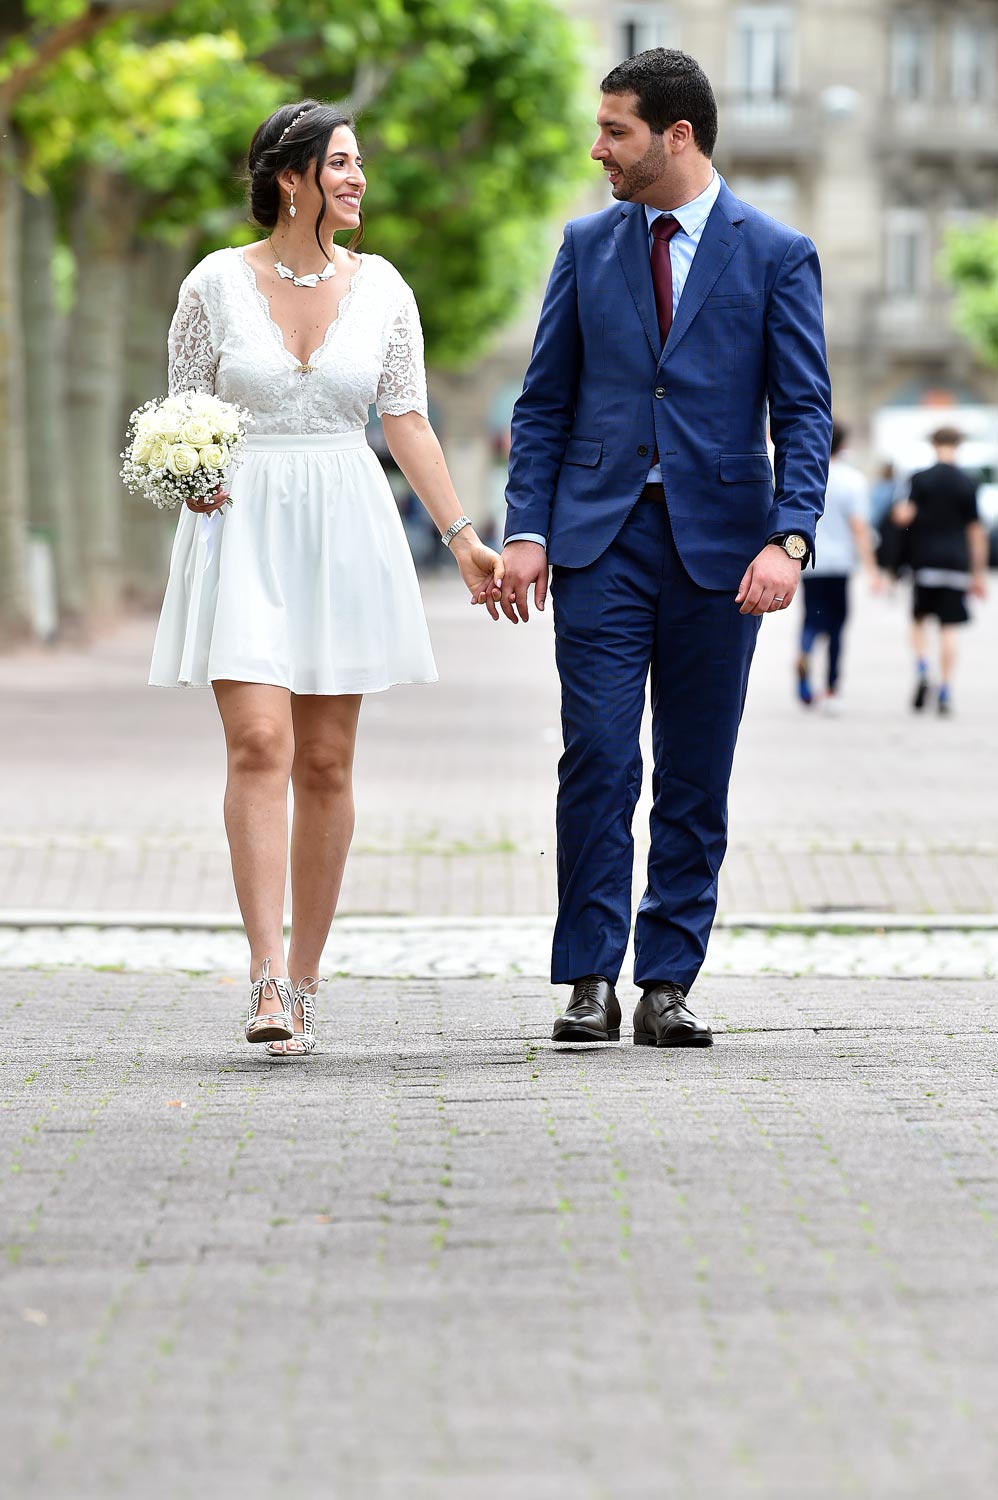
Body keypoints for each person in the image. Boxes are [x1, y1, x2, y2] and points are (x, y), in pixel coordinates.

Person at [149, 101, 503, 1054]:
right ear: (290, 176)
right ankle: (263, 978)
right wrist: (190, 473)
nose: (356, 179)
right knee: (260, 742)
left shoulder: (385, 288)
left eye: (358, 165)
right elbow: (181, 407)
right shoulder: (215, 284)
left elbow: (407, 420)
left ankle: (307, 977)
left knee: (327, 760)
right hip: (244, 525)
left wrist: (464, 535)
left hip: (346, 519)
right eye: (340, 164)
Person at [499, 49, 831, 1048]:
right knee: (596, 757)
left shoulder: (774, 252)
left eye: (615, 131)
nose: (597, 148)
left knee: (694, 770)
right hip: (598, 542)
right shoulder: (584, 245)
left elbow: (805, 413)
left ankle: (667, 982)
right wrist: (524, 529)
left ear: (675, 134)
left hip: (724, 552)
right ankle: (590, 977)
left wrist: (789, 538)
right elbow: (543, 402)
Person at [891, 427, 988, 716]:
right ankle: (945, 689)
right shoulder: (968, 482)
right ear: (959, 445)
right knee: (949, 628)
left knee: (919, 620)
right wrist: (979, 573)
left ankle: (922, 667)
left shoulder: (920, 478)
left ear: (933, 444)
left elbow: (903, 516)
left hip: (925, 561)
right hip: (957, 563)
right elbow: (975, 531)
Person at [797, 420, 881, 713]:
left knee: (810, 618)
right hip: (841, 564)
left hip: (810, 562)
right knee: (836, 627)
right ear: (844, 445)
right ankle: (831, 688)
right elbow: (859, 528)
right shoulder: (852, 480)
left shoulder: (810, 476)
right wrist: (872, 569)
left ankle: (804, 654)